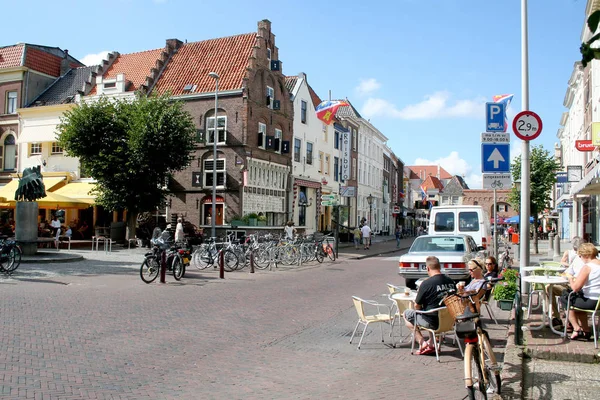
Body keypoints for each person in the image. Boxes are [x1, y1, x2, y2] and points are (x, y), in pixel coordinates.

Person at [403, 256, 456, 355]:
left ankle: (422, 342)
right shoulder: (450, 281)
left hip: (433, 323)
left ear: (427, 268)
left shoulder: (426, 283)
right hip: (449, 321)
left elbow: (417, 306)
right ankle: (432, 342)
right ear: (439, 267)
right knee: (432, 309)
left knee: (407, 314)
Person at [559, 243, 600, 340]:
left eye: (580, 256)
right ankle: (586, 330)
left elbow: (575, 287)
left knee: (565, 297)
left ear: (586, 255)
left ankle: (576, 329)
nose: (580, 258)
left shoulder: (587, 267)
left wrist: (570, 278)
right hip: (598, 300)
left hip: (591, 301)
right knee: (578, 297)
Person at [547, 236, 586, 328]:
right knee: (549, 288)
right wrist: (565, 276)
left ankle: (573, 324)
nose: (577, 253)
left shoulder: (588, 262)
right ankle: (556, 318)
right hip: (571, 285)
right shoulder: (577, 259)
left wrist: (570, 278)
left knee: (566, 296)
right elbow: (567, 273)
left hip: (579, 289)